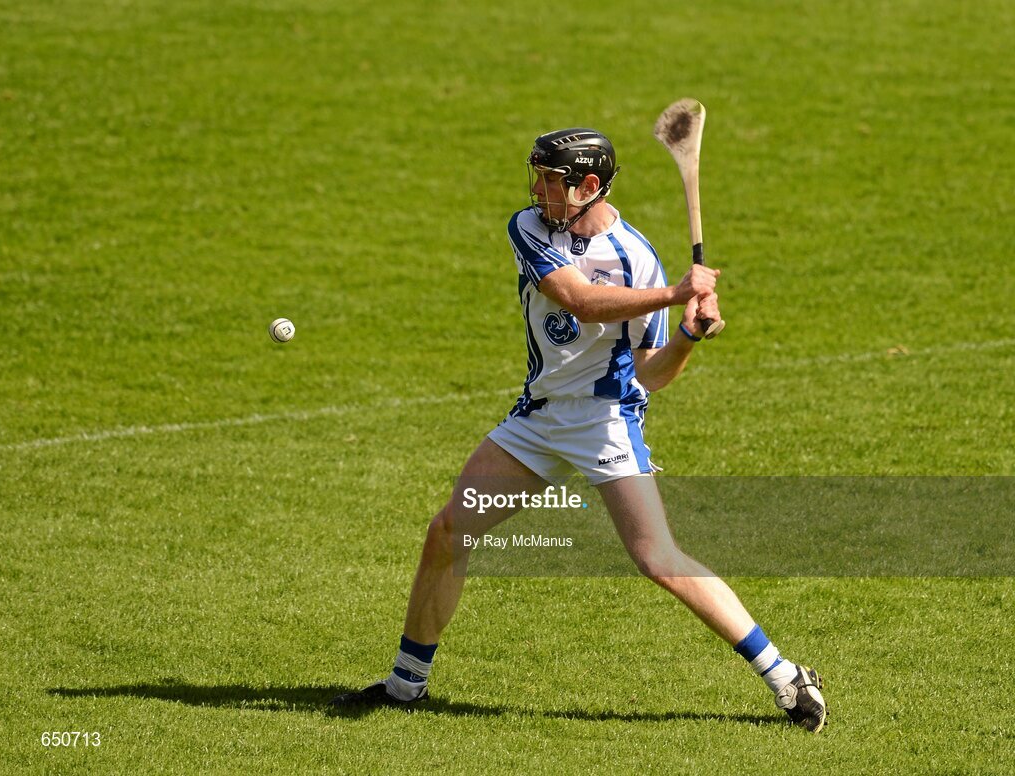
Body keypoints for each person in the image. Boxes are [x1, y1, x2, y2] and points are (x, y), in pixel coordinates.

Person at [330, 128, 827, 732]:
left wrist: (689, 336)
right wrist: (675, 293)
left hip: (605, 421)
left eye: (550, 180)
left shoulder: (637, 258)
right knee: (448, 532)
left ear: (589, 186)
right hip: (538, 420)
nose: (538, 190)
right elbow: (580, 301)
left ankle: (786, 676)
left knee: (657, 559)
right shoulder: (531, 228)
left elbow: (654, 372)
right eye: (537, 176)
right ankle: (405, 686)